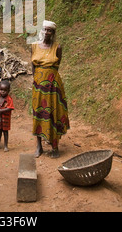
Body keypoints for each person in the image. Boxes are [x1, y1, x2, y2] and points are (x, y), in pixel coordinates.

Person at [31, 20, 70, 158]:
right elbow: (33, 66)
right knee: (39, 113)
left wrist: (49, 78)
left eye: (50, 30)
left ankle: (55, 147)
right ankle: (39, 146)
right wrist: (36, 80)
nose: (47, 32)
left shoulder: (57, 47)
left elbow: (57, 65)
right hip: (38, 86)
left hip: (53, 86)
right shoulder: (34, 46)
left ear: (53, 33)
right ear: (41, 30)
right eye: (45, 29)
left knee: (54, 113)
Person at [0, 80, 14, 152]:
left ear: (8, 90)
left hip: (6, 119)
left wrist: (1, 110)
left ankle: (5, 146)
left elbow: (10, 108)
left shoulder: (9, 99)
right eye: (1, 90)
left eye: (5, 90)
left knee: (5, 131)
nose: (3, 92)